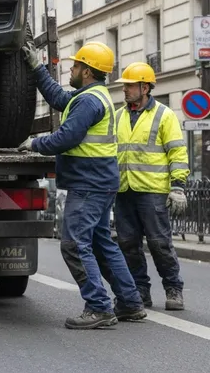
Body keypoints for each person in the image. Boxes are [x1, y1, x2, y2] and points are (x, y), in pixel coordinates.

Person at [19, 41, 146, 329]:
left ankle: (99, 307)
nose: (72, 69)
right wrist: (37, 69)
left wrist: (34, 144)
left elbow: (67, 137)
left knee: (74, 244)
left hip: (89, 184)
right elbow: (60, 99)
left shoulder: (89, 102)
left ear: (87, 71)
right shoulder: (90, 96)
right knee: (101, 244)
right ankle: (129, 301)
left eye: (76, 66)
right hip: (98, 182)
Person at [114, 62, 189, 310]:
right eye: (124, 86)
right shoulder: (118, 116)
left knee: (159, 243)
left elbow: (177, 152)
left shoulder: (164, 115)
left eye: (130, 85)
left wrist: (177, 187)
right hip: (125, 191)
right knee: (128, 243)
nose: (125, 90)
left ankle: (173, 289)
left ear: (145, 87)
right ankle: (140, 291)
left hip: (153, 192)